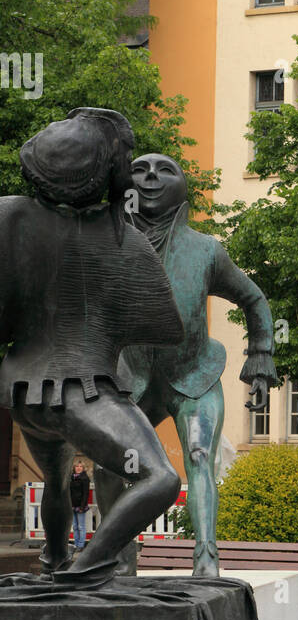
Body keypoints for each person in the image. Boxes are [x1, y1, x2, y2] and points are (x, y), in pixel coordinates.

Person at [0, 108, 184, 587]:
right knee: (161, 479)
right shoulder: (121, 237)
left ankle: (54, 561)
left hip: (21, 392)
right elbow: (161, 325)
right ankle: (84, 572)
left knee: (56, 480)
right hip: (80, 389)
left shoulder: (9, 216)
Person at [94, 153, 277, 576]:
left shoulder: (206, 250)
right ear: (128, 183)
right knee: (109, 466)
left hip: (193, 376)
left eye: (165, 170)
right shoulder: (109, 246)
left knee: (199, 458)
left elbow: (252, 298)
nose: (152, 177)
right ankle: (119, 557)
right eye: (141, 170)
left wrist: (261, 356)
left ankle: (206, 558)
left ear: (183, 185)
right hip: (130, 379)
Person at [69, 462, 91, 552]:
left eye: (80, 466)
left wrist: (82, 506)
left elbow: (86, 494)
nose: (78, 468)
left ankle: (81, 545)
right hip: (72, 505)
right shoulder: (71, 478)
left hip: (81, 505)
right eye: (77, 466)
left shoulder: (85, 478)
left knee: (81, 526)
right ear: (74, 468)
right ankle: (76, 544)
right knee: (74, 526)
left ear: (83, 468)